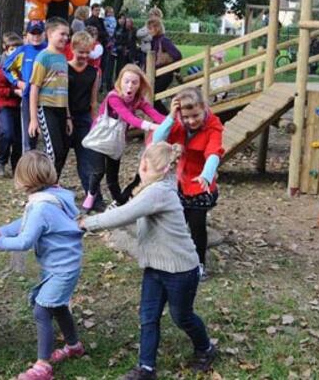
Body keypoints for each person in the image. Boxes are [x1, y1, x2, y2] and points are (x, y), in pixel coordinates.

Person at [80, 142, 216, 380]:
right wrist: (114, 220)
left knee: (181, 316)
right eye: (141, 163)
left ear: (159, 169)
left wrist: (88, 224)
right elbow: (139, 226)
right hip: (154, 267)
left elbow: (125, 214)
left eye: (144, 164)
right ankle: (146, 368)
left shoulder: (159, 192)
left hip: (180, 270)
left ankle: (206, 348)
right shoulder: (149, 191)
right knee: (148, 316)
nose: (140, 168)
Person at [0, 151, 85, 380]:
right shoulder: (52, 197)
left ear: (24, 180)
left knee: (42, 310)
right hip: (62, 264)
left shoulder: (40, 207)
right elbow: (25, 223)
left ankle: (43, 366)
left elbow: (25, 241)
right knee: (57, 307)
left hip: (62, 268)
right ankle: (73, 345)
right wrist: (2, 230)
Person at [152, 87, 224, 280]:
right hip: (181, 183)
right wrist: (171, 116)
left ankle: (199, 263)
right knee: (175, 223)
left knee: (197, 225)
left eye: (195, 115)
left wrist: (206, 176)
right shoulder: (178, 124)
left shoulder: (213, 126)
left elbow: (214, 153)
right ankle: (170, 257)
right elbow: (156, 141)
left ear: (203, 108)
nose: (191, 121)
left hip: (201, 184)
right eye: (186, 117)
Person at [82, 64, 165, 212]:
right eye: (126, 81)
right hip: (100, 138)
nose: (130, 86)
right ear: (120, 81)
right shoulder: (113, 97)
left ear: (140, 85)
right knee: (98, 171)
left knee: (113, 176)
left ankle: (119, 202)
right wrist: (152, 126)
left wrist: (171, 122)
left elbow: (154, 114)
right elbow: (129, 117)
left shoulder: (138, 100)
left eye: (134, 82)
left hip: (117, 140)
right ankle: (91, 193)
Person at [28, 17, 72, 179]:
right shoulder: (43, 57)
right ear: (50, 34)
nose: (66, 38)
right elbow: (34, 88)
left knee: (64, 149)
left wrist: (68, 116)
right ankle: (43, 183)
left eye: (68, 35)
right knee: (54, 150)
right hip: (46, 107)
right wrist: (33, 119)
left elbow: (64, 89)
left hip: (61, 109)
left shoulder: (62, 58)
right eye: (62, 34)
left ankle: (54, 182)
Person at [65, 31, 100, 200]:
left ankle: (92, 195)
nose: (84, 56)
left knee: (87, 158)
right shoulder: (64, 68)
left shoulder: (94, 72)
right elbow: (62, 96)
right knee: (58, 156)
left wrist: (95, 122)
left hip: (84, 117)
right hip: (65, 116)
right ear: (72, 49)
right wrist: (68, 117)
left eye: (87, 52)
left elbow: (94, 100)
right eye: (81, 52)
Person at [3, 20, 48, 152]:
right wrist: (18, 82)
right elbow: (6, 68)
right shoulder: (22, 50)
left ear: (44, 34)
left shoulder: (48, 49)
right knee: (29, 135)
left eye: (38, 33)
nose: (36, 37)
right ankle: (28, 167)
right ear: (26, 35)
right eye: (32, 33)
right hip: (28, 97)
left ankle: (47, 168)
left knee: (48, 136)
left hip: (48, 97)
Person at [0, 32, 24, 176]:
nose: (15, 52)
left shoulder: (24, 67)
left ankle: (16, 166)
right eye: (12, 49)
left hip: (20, 106)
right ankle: (1, 160)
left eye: (18, 49)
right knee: (7, 133)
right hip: (5, 105)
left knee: (19, 138)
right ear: (6, 50)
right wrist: (14, 92)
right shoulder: (3, 68)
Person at [148, 17, 182, 114]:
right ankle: (164, 118)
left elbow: (177, 55)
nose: (149, 31)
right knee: (152, 97)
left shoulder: (163, 40)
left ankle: (166, 118)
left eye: (151, 28)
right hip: (159, 74)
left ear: (157, 28)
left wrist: (175, 69)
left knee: (153, 98)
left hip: (165, 74)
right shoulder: (155, 40)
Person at [102, 6, 117, 90]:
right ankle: (105, 82)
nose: (110, 14)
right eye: (109, 12)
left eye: (112, 12)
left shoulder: (113, 20)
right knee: (107, 64)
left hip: (111, 43)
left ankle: (107, 82)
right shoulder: (105, 20)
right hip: (108, 43)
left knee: (109, 64)